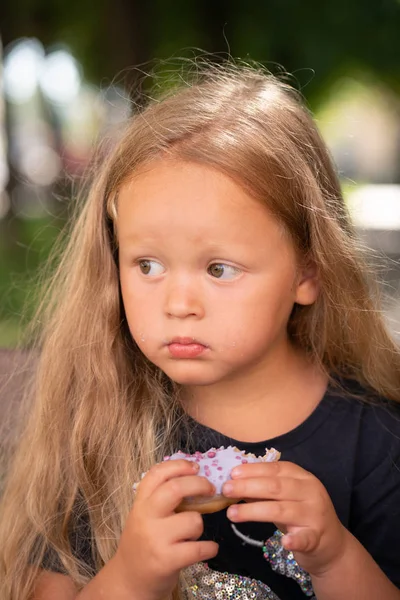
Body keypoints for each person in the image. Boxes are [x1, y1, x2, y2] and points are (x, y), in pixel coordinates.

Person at [1, 60, 400, 600]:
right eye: (147, 265)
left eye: (219, 269)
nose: (178, 304)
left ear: (309, 270)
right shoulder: (96, 420)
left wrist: (334, 559)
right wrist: (131, 577)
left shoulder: (377, 439)